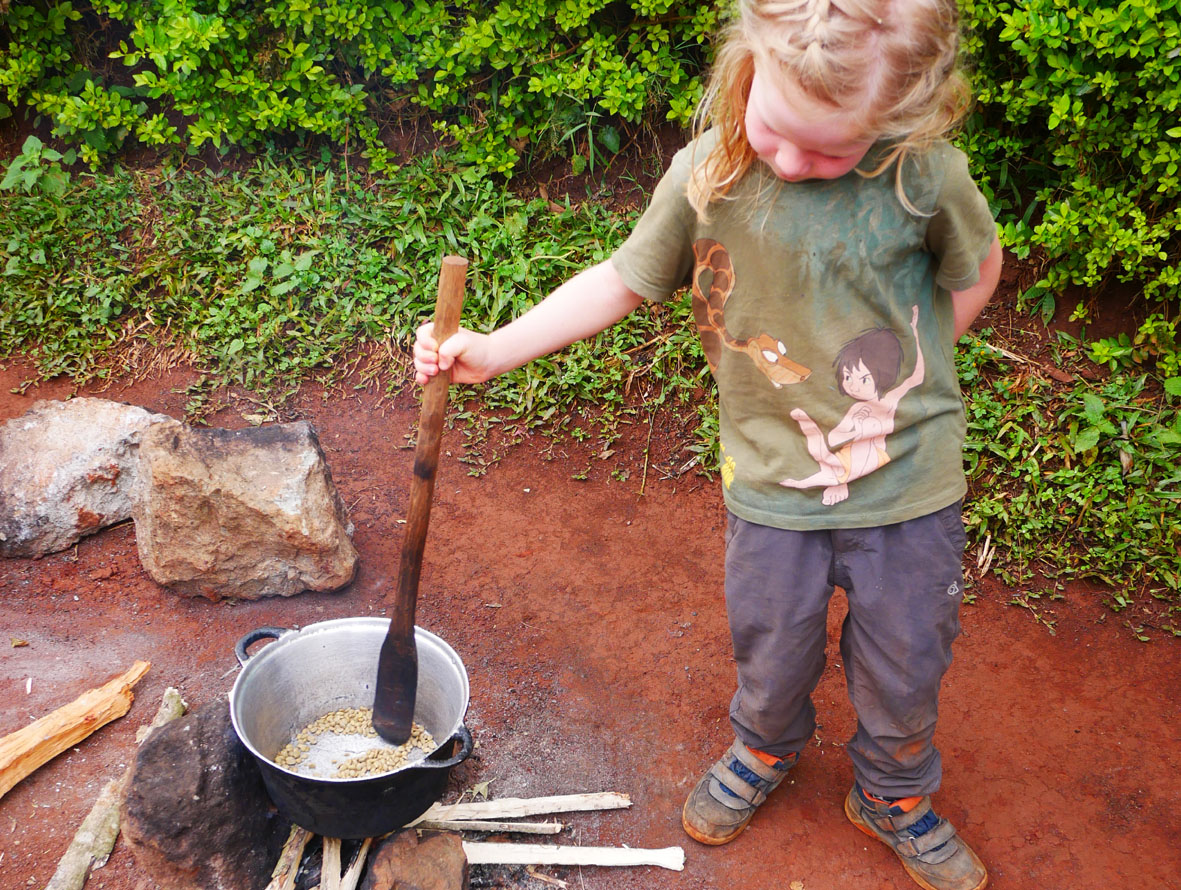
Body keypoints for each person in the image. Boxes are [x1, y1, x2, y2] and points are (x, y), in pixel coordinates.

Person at [413, 0, 1002, 887]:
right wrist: (493, 350)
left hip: (909, 482)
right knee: (772, 638)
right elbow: (620, 278)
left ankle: (892, 790)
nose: (795, 163)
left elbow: (975, 268)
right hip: (767, 483)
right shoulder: (710, 172)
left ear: (898, 115)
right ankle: (765, 748)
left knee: (908, 650)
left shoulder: (923, 176)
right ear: (745, 71)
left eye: (829, 150)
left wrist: (914, 372)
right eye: (776, 129)